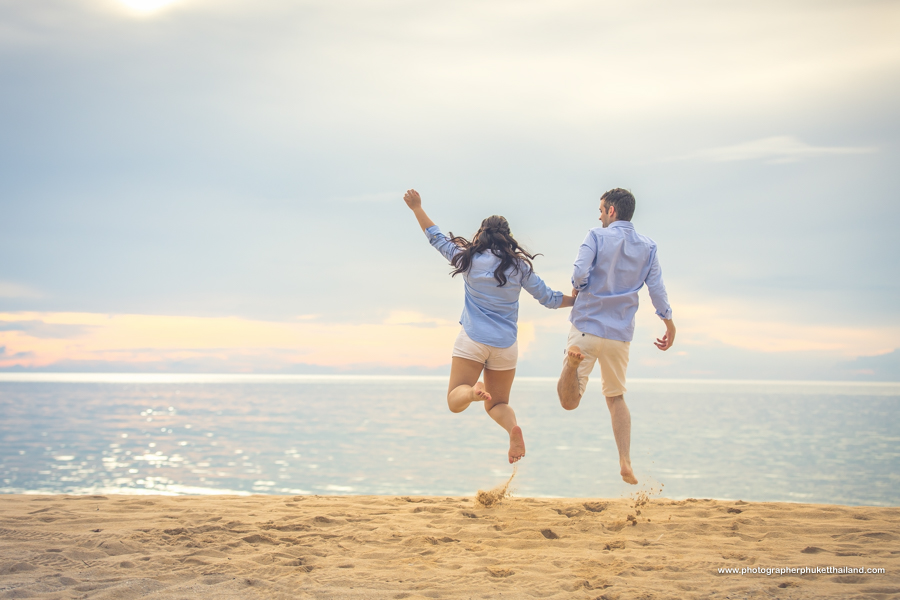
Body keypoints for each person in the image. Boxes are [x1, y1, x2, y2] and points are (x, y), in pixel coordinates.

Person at [403, 189, 575, 464]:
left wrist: (417, 208)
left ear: (481, 234)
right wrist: (575, 301)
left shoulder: (467, 259)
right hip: (505, 345)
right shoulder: (519, 267)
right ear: (508, 238)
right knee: (497, 403)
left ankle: (472, 392)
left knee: (454, 400)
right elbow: (549, 298)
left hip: (473, 338)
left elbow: (435, 237)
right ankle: (512, 429)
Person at [557, 188, 675, 485]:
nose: (598, 215)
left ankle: (571, 367)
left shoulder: (596, 236)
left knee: (569, 401)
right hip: (620, 334)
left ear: (611, 210)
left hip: (586, 325)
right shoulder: (648, 247)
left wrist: (578, 286)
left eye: (601, 209)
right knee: (616, 397)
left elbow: (579, 272)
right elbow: (657, 290)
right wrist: (669, 324)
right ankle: (624, 460)